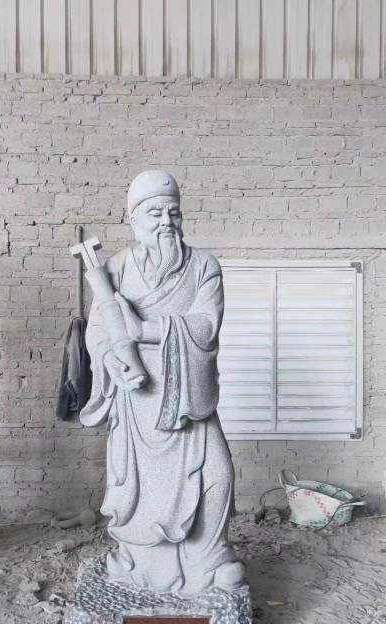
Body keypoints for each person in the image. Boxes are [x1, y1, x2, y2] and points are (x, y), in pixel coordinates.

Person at [80, 170, 245, 597]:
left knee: (218, 476)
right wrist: (112, 360)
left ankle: (207, 559)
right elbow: (98, 330)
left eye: (173, 212)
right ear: (134, 218)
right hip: (139, 402)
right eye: (155, 213)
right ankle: (138, 562)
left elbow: (206, 325)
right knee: (137, 489)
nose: (166, 222)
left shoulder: (204, 265)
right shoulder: (116, 268)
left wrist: (144, 331)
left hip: (188, 396)